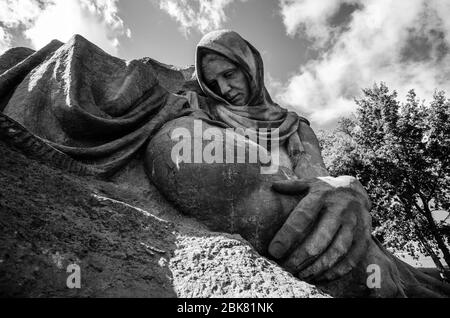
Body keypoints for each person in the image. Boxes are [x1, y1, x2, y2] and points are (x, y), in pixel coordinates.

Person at [145, 29, 450, 297]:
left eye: (229, 75)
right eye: (214, 82)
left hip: (311, 233)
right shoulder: (202, 110)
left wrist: (346, 189)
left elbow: (318, 180)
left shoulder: (294, 126)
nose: (224, 89)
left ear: (249, 67)